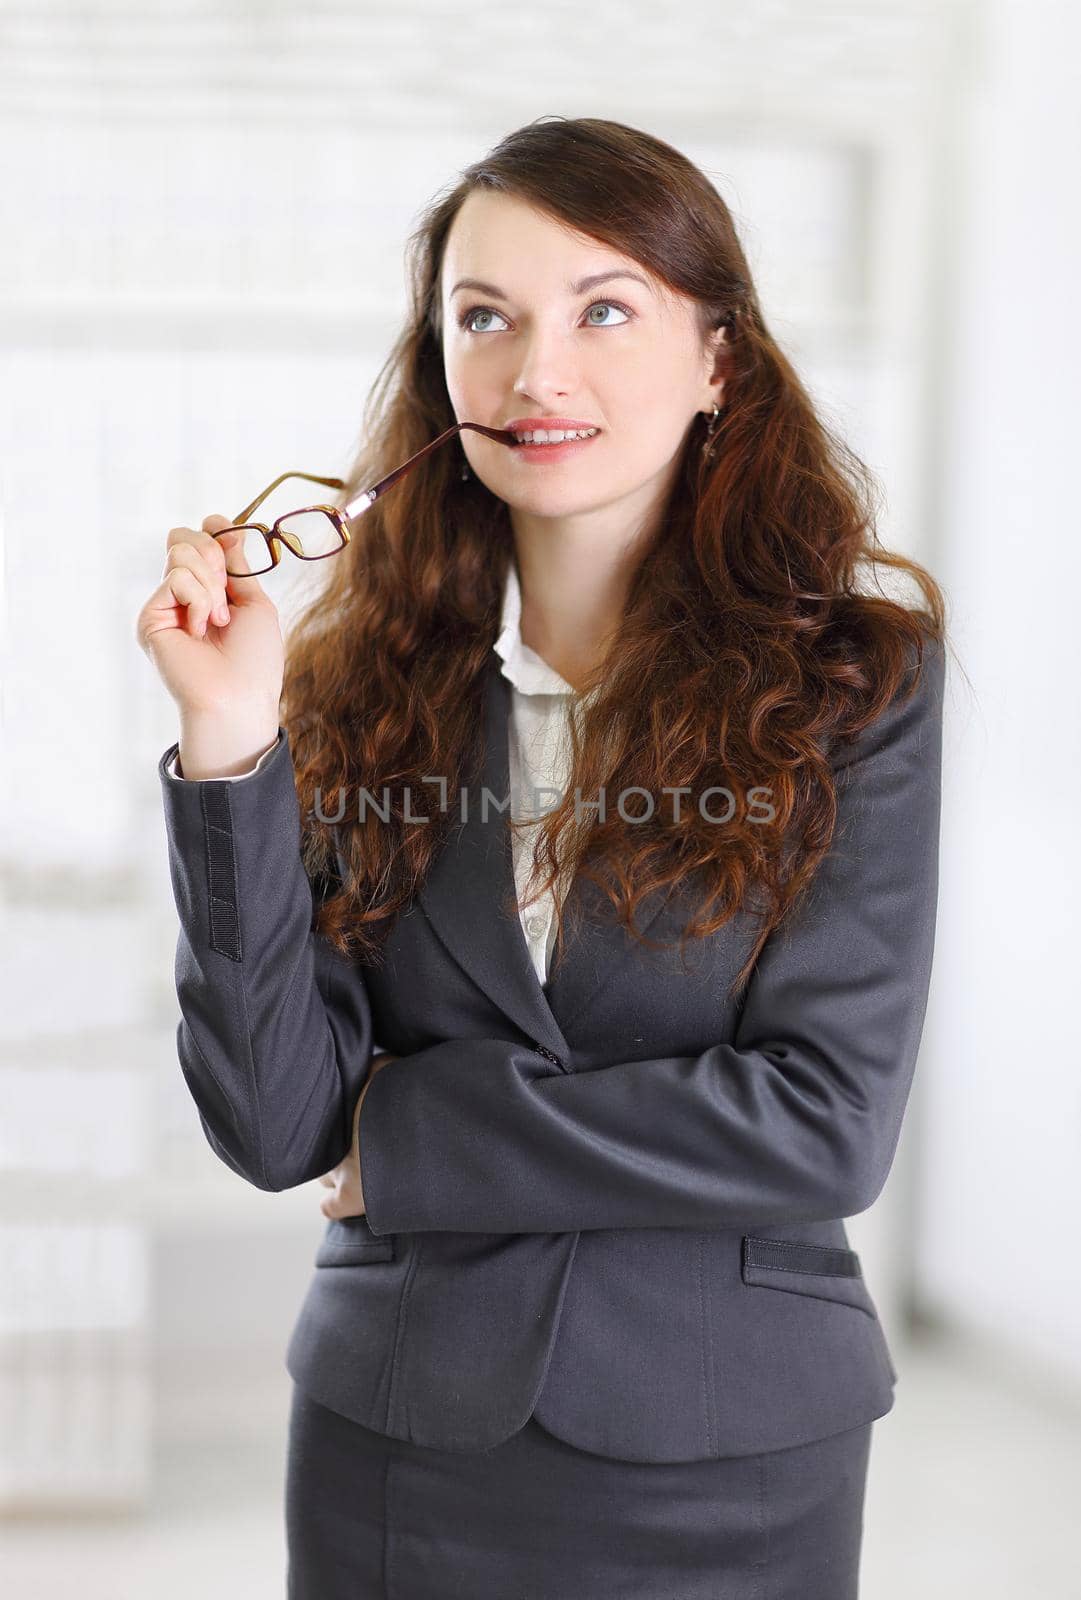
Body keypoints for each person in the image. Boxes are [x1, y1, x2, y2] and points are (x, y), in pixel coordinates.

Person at [136, 115, 948, 1599]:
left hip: (732, 1447)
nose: (537, 370)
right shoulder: (352, 689)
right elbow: (274, 1125)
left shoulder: (853, 681)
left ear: (717, 361)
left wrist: (410, 1140)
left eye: (606, 308)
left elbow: (822, 1122)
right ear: (441, 364)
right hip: (399, 1445)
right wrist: (230, 747)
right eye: (484, 316)